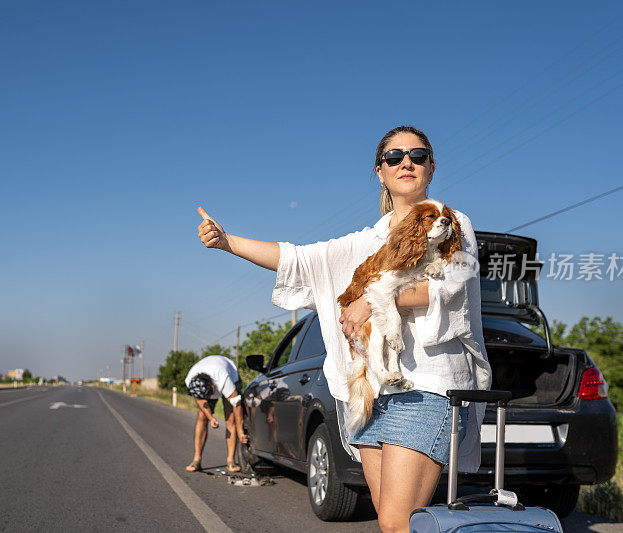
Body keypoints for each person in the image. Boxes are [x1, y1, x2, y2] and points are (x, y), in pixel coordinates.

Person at [196, 125, 491, 532]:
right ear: (380, 171)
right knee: (390, 519)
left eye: (418, 155)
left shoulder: (454, 223)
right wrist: (228, 242)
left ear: (431, 168)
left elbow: (446, 288)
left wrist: (369, 300)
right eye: (394, 156)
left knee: (396, 521)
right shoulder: (365, 241)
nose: (407, 162)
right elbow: (297, 259)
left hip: (427, 388)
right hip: (371, 393)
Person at [183, 354, 248, 473]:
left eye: (209, 395)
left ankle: (230, 461)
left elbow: (236, 404)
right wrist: (210, 417)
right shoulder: (191, 381)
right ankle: (196, 460)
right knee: (201, 417)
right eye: (206, 397)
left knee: (231, 419)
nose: (209, 398)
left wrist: (240, 430)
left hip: (231, 376)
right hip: (209, 378)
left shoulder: (223, 379)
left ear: (212, 386)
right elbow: (200, 401)